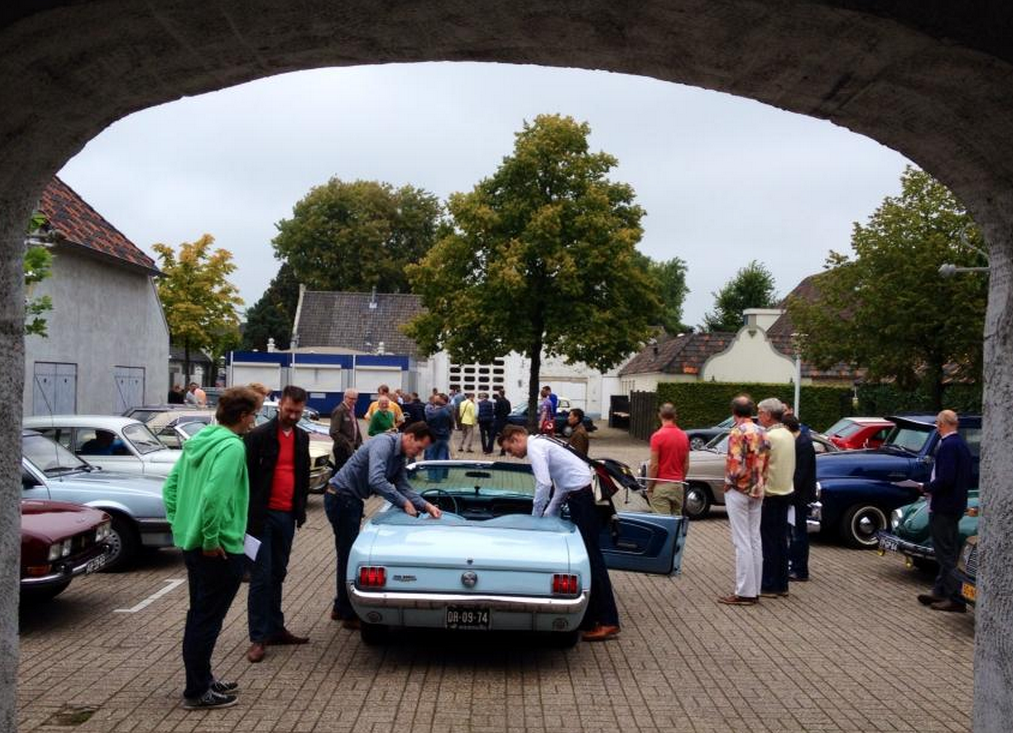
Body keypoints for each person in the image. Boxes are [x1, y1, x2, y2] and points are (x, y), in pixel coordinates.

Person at [162, 386, 259, 710]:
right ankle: (197, 690)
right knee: (207, 620)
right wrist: (210, 538)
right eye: (253, 415)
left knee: (199, 615)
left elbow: (171, 487)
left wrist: (182, 525)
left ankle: (202, 678)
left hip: (196, 544)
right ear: (243, 416)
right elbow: (214, 497)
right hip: (216, 548)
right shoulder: (231, 448)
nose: (254, 421)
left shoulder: (199, 441)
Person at [499, 425, 620, 641]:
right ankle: (591, 618)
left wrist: (535, 518)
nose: (513, 455)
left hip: (583, 499)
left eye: (510, 449)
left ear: (516, 438)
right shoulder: (544, 442)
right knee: (589, 558)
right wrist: (549, 513)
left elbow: (544, 484)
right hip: (583, 496)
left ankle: (609, 621)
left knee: (592, 559)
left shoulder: (535, 447)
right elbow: (562, 485)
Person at [324, 422, 443, 628]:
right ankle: (348, 613)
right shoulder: (383, 444)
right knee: (348, 556)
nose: (419, 453)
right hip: (341, 498)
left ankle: (340, 607)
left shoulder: (399, 457)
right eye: (419, 448)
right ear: (410, 436)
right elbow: (376, 479)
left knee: (346, 554)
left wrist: (426, 506)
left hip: (350, 500)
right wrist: (403, 503)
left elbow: (404, 486)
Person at [244, 385, 311, 664]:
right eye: (289, 410)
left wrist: (300, 509)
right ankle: (258, 638)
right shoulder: (258, 436)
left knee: (278, 573)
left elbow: (303, 474)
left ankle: (275, 628)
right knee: (261, 576)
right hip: (261, 518)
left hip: (287, 515)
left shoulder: (301, 437)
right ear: (279, 405)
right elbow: (244, 478)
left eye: (298, 412)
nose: (293, 416)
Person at [916, 410, 973, 613]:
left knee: (945, 554)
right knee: (946, 550)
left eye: (937, 424)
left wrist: (925, 487)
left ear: (941, 424)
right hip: (955, 504)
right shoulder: (962, 445)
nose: (937, 428)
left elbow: (945, 479)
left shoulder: (948, 446)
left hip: (944, 506)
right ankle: (939, 590)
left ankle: (956, 597)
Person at [719, 395, 770, 606]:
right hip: (758, 489)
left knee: (741, 541)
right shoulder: (763, 432)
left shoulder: (737, 433)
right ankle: (755, 588)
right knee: (754, 538)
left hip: (739, 490)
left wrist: (728, 482)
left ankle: (744, 591)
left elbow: (735, 463)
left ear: (734, 413)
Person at [757, 398, 795, 599]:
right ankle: (782, 584)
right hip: (786, 491)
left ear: (769, 415)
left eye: (761, 412)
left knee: (768, 541)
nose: (759, 416)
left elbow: (760, 464)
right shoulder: (788, 434)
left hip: (770, 494)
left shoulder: (769, 436)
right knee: (780, 539)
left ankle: (769, 584)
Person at [783, 413, 816, 582]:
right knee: (794, 531)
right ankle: (793, 565)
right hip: (797, 496)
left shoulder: (803, 444)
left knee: (798, 533)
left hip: (799, 497)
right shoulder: (800, 441)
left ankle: (800, 569)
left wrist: (790, 494)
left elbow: (800, 473)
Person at [647, 403, 690, 516]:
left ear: (660, 416)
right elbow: (686, 464)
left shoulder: (657, 436)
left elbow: (654, 465)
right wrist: (680, 479)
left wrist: (650, 487)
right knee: (676, 523)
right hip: (678, 485)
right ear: (675, 416)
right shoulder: (683, 436)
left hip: (662, 485)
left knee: (662, 524)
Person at [329, 389, 362, 472]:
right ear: (345, 397)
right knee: (341, 472)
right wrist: (347, 444)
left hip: (350, 448)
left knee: (348, 472)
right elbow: (334, 432)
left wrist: (359, 443)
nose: (353, 401)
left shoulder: (351, 409)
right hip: (342, 449)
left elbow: (354, 428)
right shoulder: (339, 410)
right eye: (351, 398)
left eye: (355, 399)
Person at [493, 389, 512, 456]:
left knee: (493, 434)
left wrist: (497, 414)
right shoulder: (507, 401)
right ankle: (503, 450)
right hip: (505, 420)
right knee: (504, 436)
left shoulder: (498, 401)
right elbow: (509, 411)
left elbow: (495, 411)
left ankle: (489, 449)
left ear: (499, 394)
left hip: (498, 420)